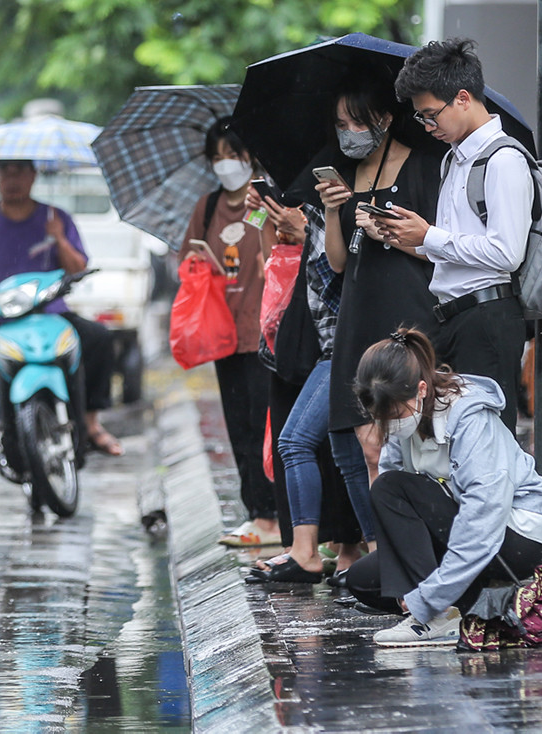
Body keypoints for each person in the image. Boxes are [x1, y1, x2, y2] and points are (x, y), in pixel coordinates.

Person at [345, 328, 542, 647]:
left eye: (396, 414)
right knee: (363, 580)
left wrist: (428, 598)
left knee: (389, 488)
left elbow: (482, 520)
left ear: (421, 389)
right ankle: (466, 603)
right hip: (455, 527)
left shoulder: (470, 417)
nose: (391, 424)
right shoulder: (402, 419)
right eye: (381, 418)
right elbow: (396, 516)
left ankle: (437, 616)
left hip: (513, 536)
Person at [379, 38, 531, 432]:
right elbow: (452, 248)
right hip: (454, 317)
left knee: (487, 441)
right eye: (422, 118)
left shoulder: (504, 159)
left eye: (432, 115)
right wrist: (408, 237)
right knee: (456, 440)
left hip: (487, 317)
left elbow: (507, 253)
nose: (429, 127)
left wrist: (429, 235)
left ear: (463, 98)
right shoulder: (453, 158)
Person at [315, 69, 441, 487]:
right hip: (359, 318)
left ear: (385, 119)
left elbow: (438, 249)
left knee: (419, 444)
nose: (349, 133)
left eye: (358, 122)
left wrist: (386, 233)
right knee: (371, 448)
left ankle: (418, 526)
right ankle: (381, 529)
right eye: (341, 124)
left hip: (409, 317)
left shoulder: (423, 166)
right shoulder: (345, 174)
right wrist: (332, 209)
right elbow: (337, 262)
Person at [246, 184, 375, 584]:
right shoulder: (310, 204)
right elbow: (272, 261)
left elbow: (338, 270)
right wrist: (267, 221)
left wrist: (305, 230)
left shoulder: (332, 203)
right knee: (349, 454)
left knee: (296, 441)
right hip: (319, 341)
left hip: (343, 344)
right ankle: (376, 555)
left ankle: (314, 553)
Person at [0, 159, 123, 460]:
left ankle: (90, 425)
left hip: (50, 317)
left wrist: (58, 238)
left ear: (33, 175)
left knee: (99, 338)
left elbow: (78, 268)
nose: (13, 180)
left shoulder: (55, 218)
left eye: (20, 171)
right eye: (6, 172)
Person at [181, 117, 279, 547]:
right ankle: (256, 514)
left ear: (249, 156)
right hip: (223, 333)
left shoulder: (268, 199)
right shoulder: (206, 208)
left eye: (232, 155)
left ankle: (274, 516)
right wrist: (202, 266)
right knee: (237, 425)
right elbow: (187, 263)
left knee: (265, 425)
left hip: (264, 331)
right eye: (216, 157)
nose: (225, 164)